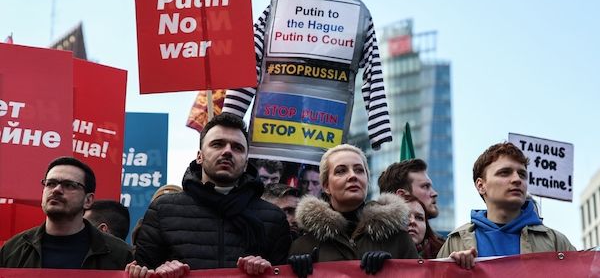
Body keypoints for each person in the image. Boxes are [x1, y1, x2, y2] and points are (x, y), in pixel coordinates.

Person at [223, 0, 392, 169]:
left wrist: (379, 131)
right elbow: (249, 63)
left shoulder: (359, 14)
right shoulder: (278, 7)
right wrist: (228, 121)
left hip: (324, 143)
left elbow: (374, 71)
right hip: (270, 141)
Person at [128, 113, 291, 277]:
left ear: (246, 163)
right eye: (217, 144)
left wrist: (268, 271)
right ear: (199, 156)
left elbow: (284, 272)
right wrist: (161, 271)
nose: (227, 151)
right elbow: (142, 269)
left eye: (237, 148)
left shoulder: (274, 218)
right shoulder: (162, 210)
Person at [437, 142, 576, 269]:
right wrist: (450, 271)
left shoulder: (556, 242)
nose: (517, 179)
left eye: (522, 174)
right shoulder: (455, 242)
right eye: (504, 173)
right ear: (481, 185)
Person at [288, 144, 418, 277]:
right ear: (326, 186)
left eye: (359, 170)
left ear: (367, 181)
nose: (352, 176)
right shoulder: (303, 246)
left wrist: (394, 270)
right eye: (341, 171)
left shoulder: (398, 239)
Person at [0, 157, 133, 269]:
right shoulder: (13, 250)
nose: (56, 190)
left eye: (69, 185)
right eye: (50, 183)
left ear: (88, 200)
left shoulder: (120, 254)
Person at [378, 159, 445, 257]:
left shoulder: (446, 249)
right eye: (425, 186)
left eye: (419, 218)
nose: (434, 193)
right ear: (401, 195)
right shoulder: (368, 243)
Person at [403, 194, 444, 259]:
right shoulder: (381, 253)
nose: (412, 221)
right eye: (405, 216)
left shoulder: (444, 254)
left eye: (419, 218)